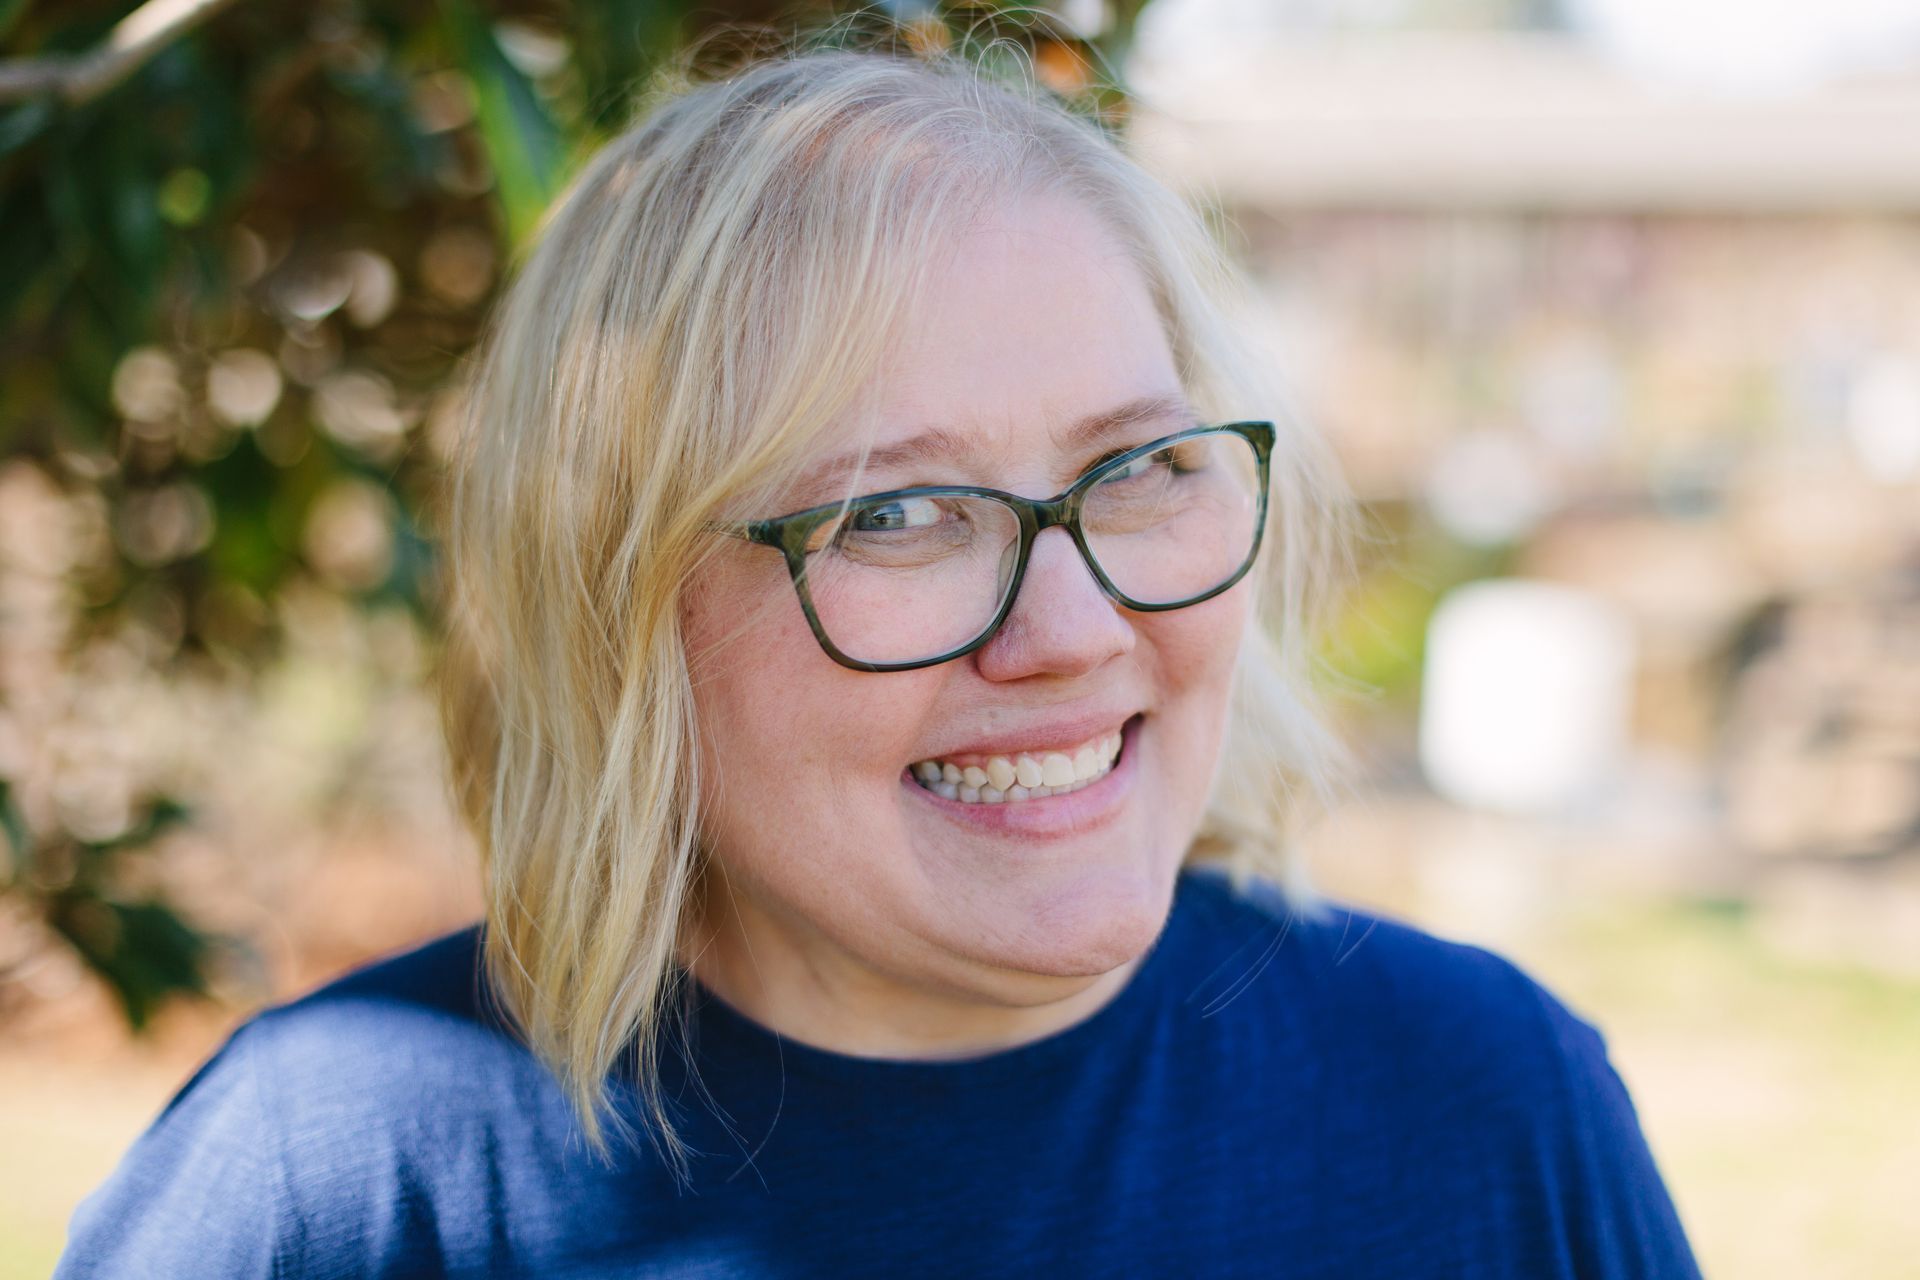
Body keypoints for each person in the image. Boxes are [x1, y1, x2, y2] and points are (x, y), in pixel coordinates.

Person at [55, 33, 1703, 1279]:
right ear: (618, 609)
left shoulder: (1479, 1110)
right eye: (898, 515)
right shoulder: (346, 1186)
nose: (1073, 633)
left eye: (1136, 471)